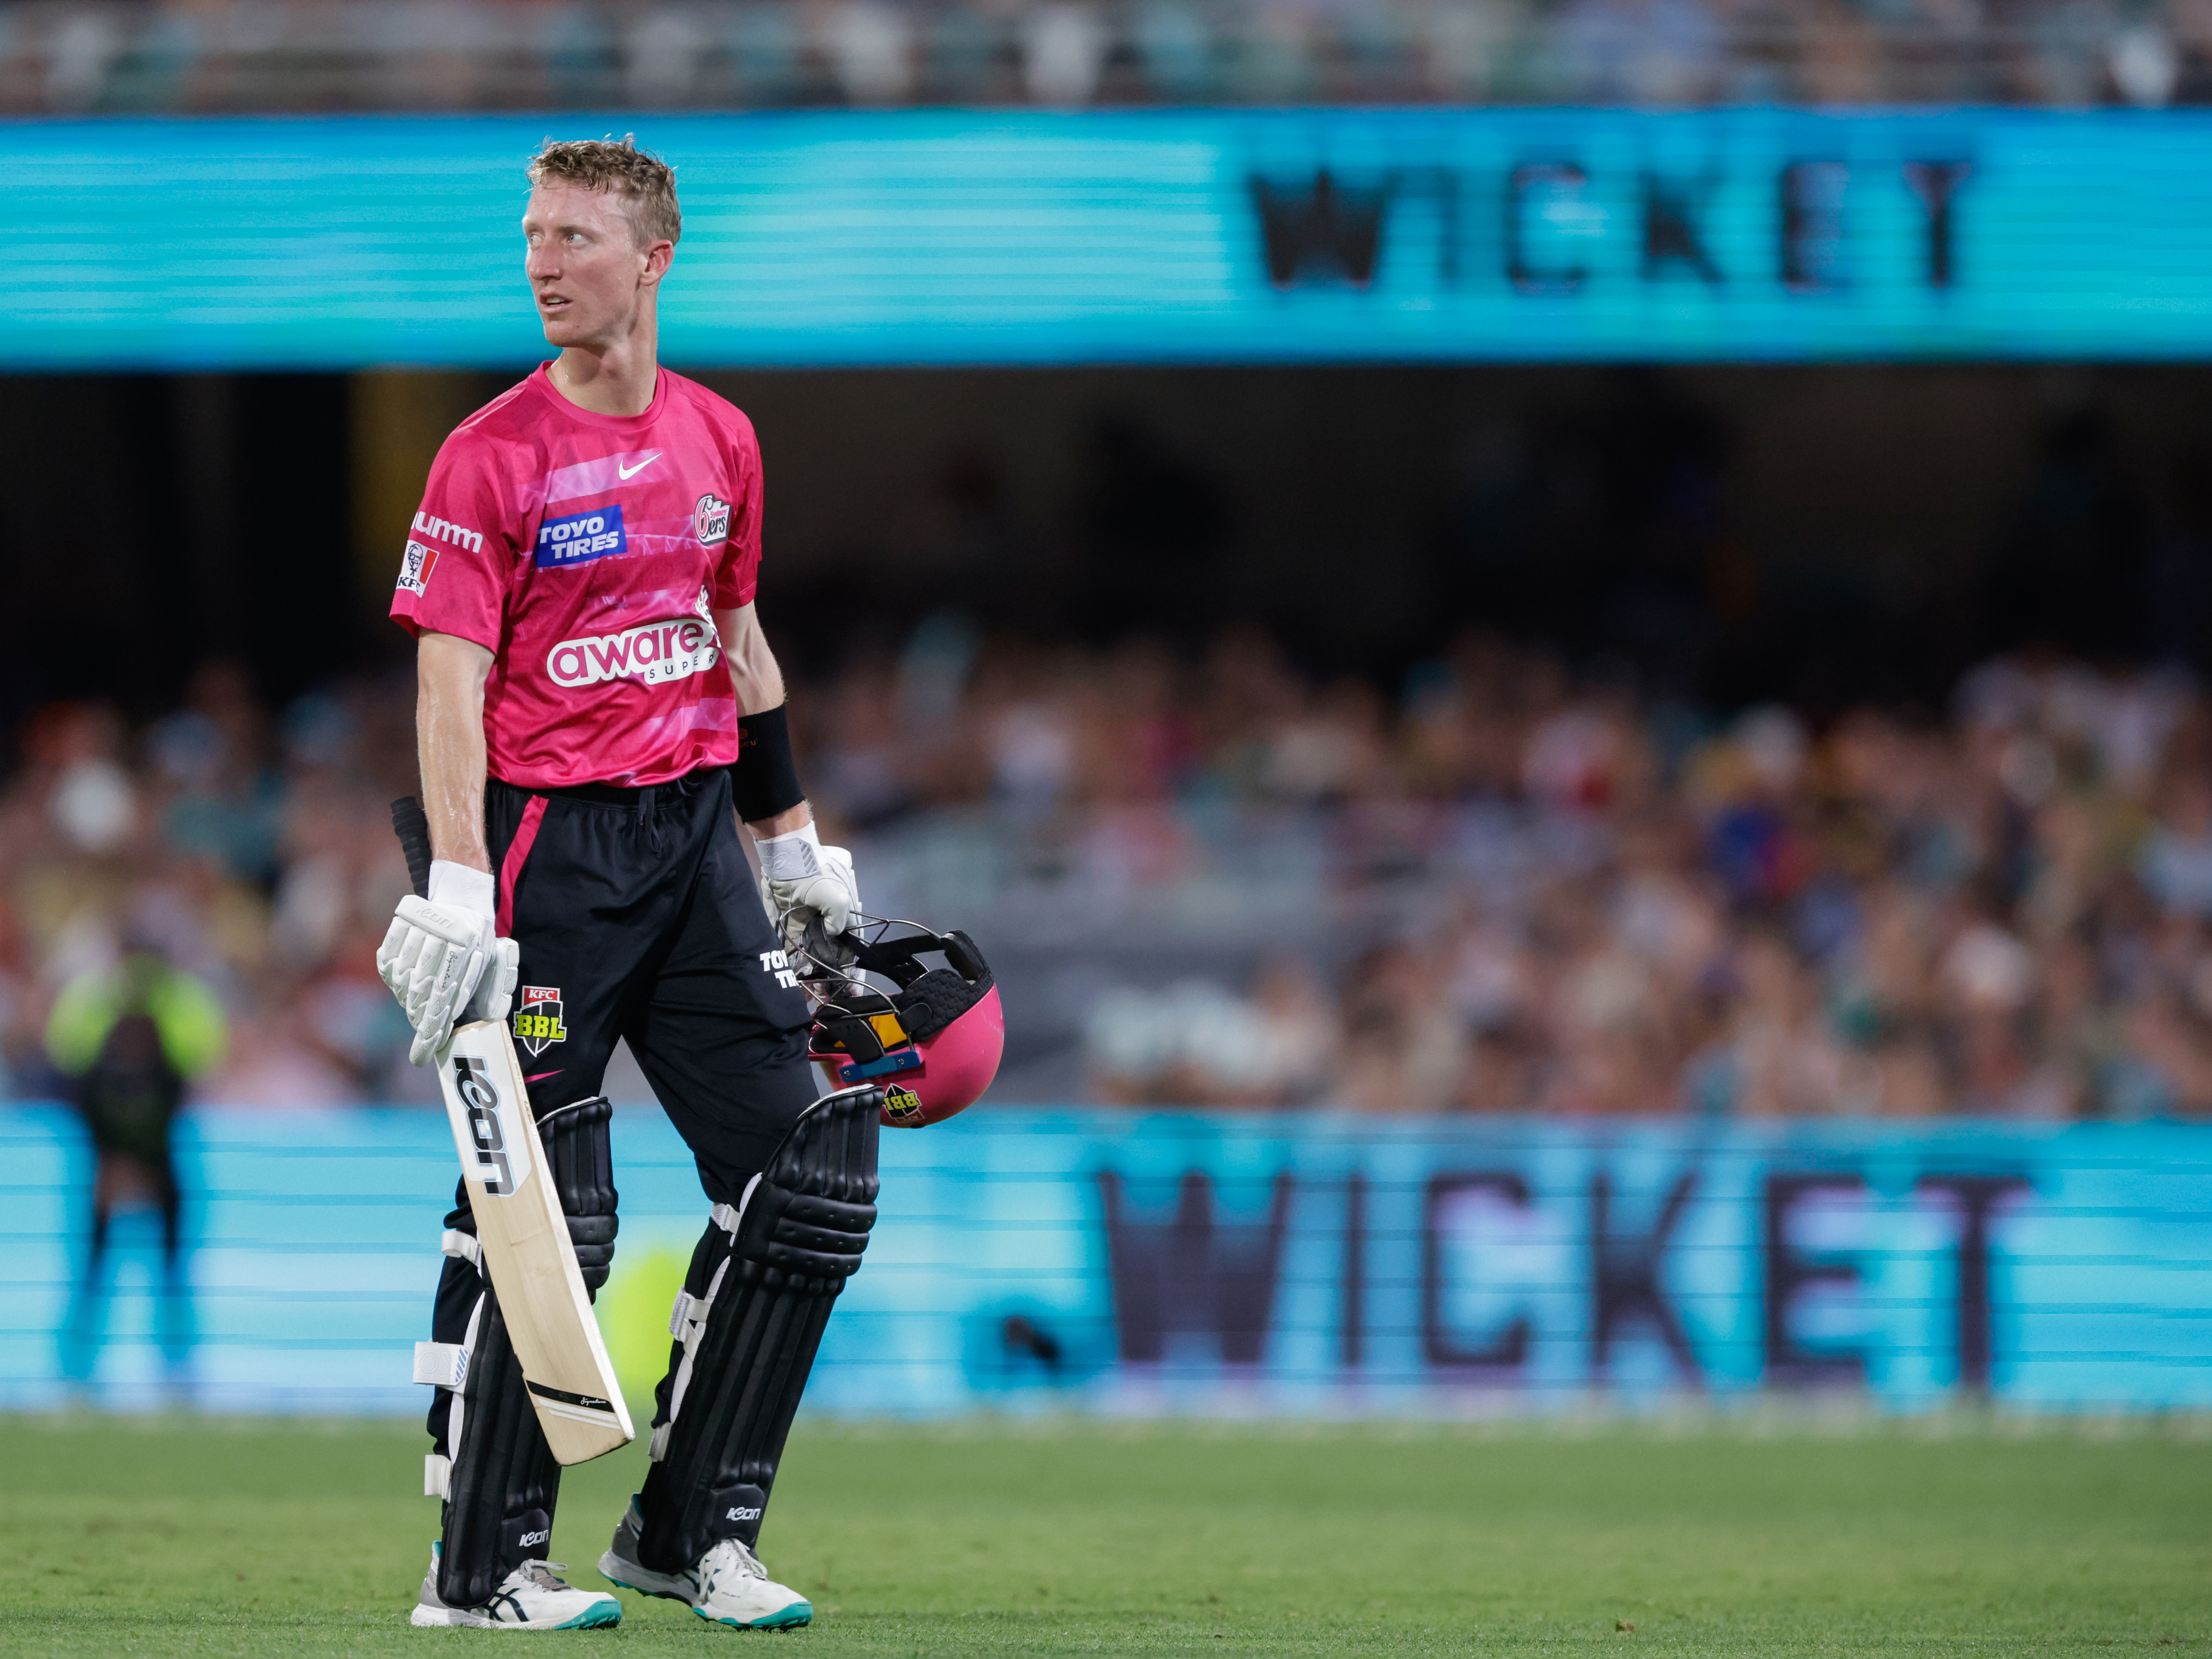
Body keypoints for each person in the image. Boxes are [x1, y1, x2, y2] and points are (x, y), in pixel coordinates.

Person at [377, 137, 866, 1632]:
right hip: (548, 857)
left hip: (695, 840)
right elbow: (446, 688)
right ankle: (477, 1571)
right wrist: (461, 883)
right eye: (531, 234)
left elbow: (739, 639)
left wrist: (790, 846)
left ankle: (688, 1531)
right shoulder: (487, 455)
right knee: (548, 1211)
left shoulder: (720, 440)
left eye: (573, 236)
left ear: (652, 259)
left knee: (815, 1166)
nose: (540, 260)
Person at [45, 944, 227, 1392]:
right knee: (98, 1268)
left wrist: (127, 1166)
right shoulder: (105, 1036)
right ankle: (78, 1367)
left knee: (164, 1271)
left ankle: (174, 1368)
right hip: (118, 1163)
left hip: (147, 1165)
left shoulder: (157, 1038)